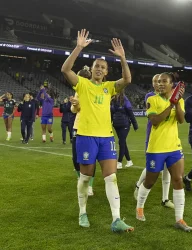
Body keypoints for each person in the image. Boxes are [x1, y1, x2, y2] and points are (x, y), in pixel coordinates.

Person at [61, 29, 133, 232]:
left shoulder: (109, 87)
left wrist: (123, 58)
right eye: (97, 66)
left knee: (111, 177)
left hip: (106, 138)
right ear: (91, 69)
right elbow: (66, 70)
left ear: (107, 71)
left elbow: (127, 80)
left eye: (103, 67)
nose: (99, 69)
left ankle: (116, 219)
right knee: (85, 177)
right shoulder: (82, 84)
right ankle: (82, 212)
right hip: (86, 136)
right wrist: (79, 48)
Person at [136, 72, 192, 232]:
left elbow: (181, 120)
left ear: (171, 84)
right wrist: (170, 105)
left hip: (174, 146)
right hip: (156, 148)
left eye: (164, 81)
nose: (160, 84)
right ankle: (139, 207)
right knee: (149, 182)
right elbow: (155, 121)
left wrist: (176, 104)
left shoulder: (178, 100)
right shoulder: (151, 99)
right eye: (159, 82)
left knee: (178, 180)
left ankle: (179, 219)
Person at [134, 74, 174, 209]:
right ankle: (138, 185)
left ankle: (165, 198)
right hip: (153, 135)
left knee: (167, 169)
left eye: (160, 81)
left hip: (168, 138)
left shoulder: (168, 96)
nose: (157, 84)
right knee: (151, 166)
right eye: (155, 81)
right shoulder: (149, 97)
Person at [70, 66, 95, 196]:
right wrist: (75, 104)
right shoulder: (78, 91)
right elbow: (74, 110)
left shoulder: (93, 89)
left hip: (91, 126)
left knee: (91, 158)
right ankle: (81, 178)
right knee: (75, 157)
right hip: (78, 125)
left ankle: (89, 185)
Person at [111, 89, 138, 169]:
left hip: (125, 124)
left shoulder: (125, 100)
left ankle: (119, 162)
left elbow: (130, 113)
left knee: (121, 142)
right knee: (123, 143)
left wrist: (135, 124)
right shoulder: (112, 100)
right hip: (116, 125)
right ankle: (129, 161)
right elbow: (111, 114)